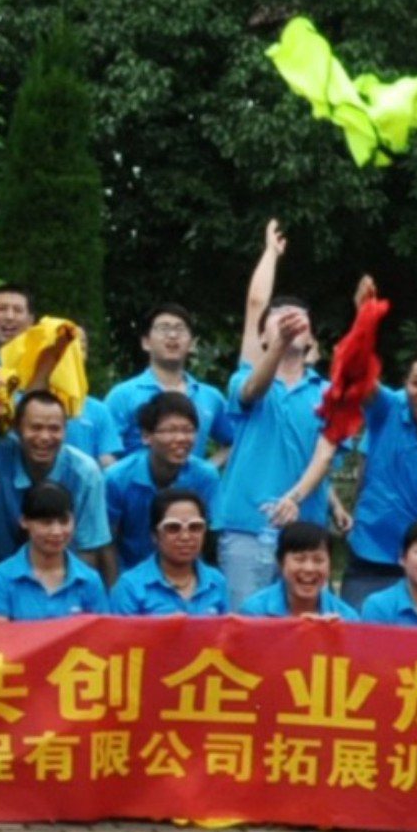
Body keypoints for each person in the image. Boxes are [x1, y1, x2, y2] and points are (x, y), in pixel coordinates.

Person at [295, 314, 417, 607]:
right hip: (367, 558)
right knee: (357, 633)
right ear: (405, 384)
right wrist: (364, 315)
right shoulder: (388, 410)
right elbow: (356, 371)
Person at [214, 226, 325, 608]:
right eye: (279, 319)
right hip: (246, 526)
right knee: (246, 627)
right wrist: (271, 253)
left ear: (312, 340)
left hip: (306, 529)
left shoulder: (327, 393)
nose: (290, 323)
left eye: (299, 320)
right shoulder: (245, 379)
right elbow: (255, 304)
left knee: (305, 630)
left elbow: (326, 455)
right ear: (262, 337)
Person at [0, 388, 111, 574]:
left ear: (65, 431)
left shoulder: (85, 473)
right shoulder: (1, 453)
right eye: (36, 428)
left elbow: (88, 547)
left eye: (54, 429)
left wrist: (72, 586)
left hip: (57, 569)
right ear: (17, 429)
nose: (45, 437)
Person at [74, 304, 226, 465]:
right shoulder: (123, 395)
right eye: (163, 329)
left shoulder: (211, 397)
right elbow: (104, 450)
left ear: (192, 343)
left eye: (180, 329)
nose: (172, 335)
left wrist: (208, 469)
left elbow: (236, 439)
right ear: (145, 342)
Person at [99, 396, 220, 573]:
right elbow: (107, 540)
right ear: (146, 436)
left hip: (186, 573)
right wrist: (116, 585)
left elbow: (209, 536)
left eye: (188, 430)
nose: (181, 438)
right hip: (131, 574)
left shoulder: (205, 476)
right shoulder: (117, 478)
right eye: (171, 430)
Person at [0, 482, 113, 619]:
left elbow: (100, 630)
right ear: (24, 521)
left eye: (64, 521)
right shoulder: (1, 578)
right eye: (46, 522)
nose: (56, 532)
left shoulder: (89, 580)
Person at [111, 490, 229, 617]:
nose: (185, 537)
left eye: (195, 527)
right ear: (154, 535)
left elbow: (226, 629)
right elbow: (120, 630)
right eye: (173, 528)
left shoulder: (216, 582)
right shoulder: (130, 586)